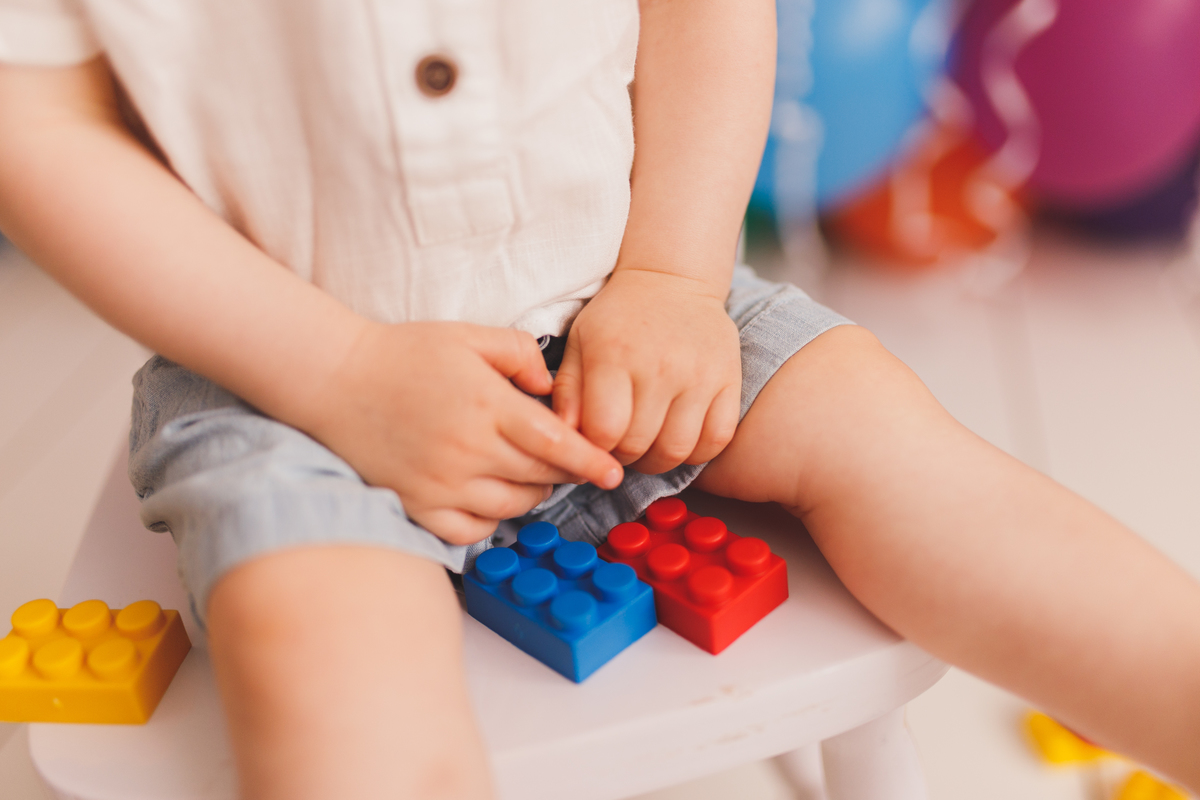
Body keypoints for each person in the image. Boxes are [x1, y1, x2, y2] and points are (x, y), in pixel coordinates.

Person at [0, 0, 1197, 797]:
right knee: (323, 661)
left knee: (900, 445)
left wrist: (675, 272)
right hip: (281, 374)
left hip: (629, 283)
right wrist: (337, 373)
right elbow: (36, 125)